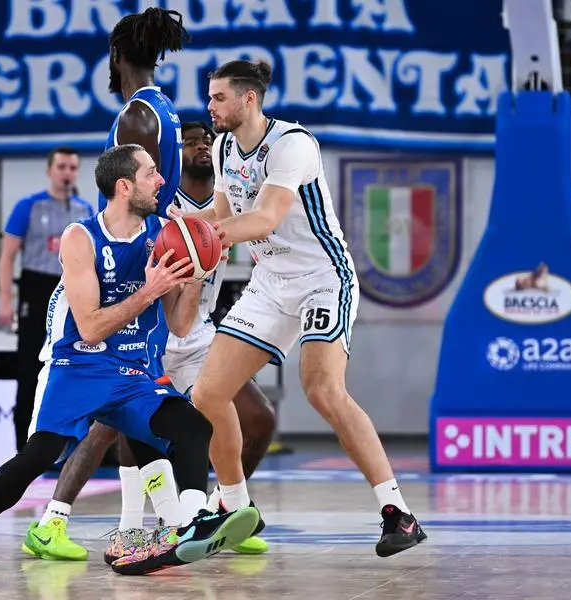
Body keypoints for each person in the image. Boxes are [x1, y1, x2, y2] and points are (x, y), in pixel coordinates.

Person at [0, 144, 260, 584]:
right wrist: (150, 290)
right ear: (124, 186)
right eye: (151, 173)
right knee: (37, 456)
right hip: (77, 364)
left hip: (132, 370)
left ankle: (191, 525)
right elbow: (92, 327)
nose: (161, 181)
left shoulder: (163, 233)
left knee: (193, 427)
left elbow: (178, 325)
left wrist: (193, 276)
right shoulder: (81, 238)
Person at [187, 59, 427, 560]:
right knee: (208, 393)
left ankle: (397, 514)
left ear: (249, 98)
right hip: (271, 283)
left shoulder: (293, 143)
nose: (209, 106)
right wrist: (179, 219)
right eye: (209, 98)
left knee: (322, 389)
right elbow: (224, 219)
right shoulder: (225, 147)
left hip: (323, 277)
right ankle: (234, 507)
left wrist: (202, 234)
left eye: (218, 97)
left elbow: (267, 216)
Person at [23, 122, 276, 562]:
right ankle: (68, 521)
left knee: (257, 420)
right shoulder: (157, 203)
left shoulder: (232, 200)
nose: (199, 147)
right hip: (140, 334)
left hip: (195, 330)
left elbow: (263, 224)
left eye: (206, 142)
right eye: (190, 142)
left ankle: (223, 509)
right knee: (111, 427)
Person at [20, 7, 190, 564]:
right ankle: (164, 520)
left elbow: (137, 201)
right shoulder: (161, 109)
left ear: (116, 56)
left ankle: (158, 521)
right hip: (124, 274)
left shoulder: (135, 118)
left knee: (123, 405)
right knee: (118, 407)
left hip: (121, 269)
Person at [0, 146, 93, 452]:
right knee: (29, 369)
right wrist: (4, 299)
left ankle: (72, 447)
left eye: (72, 168)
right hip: (36, 287)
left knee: (78, 364)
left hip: (73, 288)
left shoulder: (84, 209)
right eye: (62, 167)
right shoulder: (29, 206)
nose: (67, 173)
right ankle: (22, 447)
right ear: (50, 170)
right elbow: (7, 255)